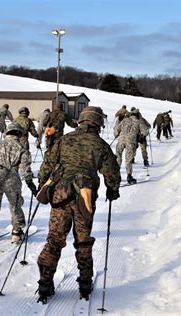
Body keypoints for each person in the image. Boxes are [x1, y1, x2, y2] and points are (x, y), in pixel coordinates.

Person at [36, 106, 121, 302]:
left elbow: (46, 165)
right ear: (98, 123)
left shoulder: (64, 140)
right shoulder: (100, 145)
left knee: (54, 240)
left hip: (60, 195)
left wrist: (43, 185)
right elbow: (112, 172)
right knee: (83, 241)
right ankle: (84, 284)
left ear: (81, 120)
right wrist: (112, 190)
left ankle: (44, 285)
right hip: (85, 196)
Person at [0, 122, 37, 242]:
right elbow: (25, 168)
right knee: (15, 206)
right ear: (19, 133)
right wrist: (30, 182)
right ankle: (16, 233)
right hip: (12, 180)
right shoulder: (21, 148)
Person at [114, 110, 144, 184]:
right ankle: (129, 176)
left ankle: (116, 176)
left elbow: (116, 129)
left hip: (121, 141)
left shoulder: (125, 120)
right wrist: (141, 136)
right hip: (130, 142)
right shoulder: (138, 121)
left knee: (118, 157)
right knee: (128, 160)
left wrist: (116, 134)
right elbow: (145, 131)